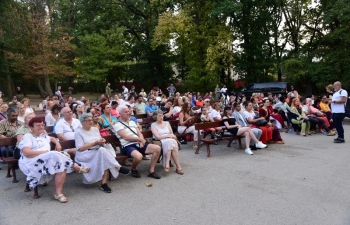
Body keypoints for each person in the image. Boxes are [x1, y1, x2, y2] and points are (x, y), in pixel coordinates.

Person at [18, 117, 89, 203]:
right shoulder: (28, 137)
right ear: (31, 127)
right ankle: (75, 167)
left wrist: (57, 143)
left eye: (42, 125)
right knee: (53, 154)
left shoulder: (43, 136)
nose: (41, 127)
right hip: (30, 162)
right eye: (38, 125)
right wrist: (45, 152)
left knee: (60, 164)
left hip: (44, 160)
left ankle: (58, 193)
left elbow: (52, 138)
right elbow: (26, 152)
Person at [74, 113, 130, 193]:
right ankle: (117, 167)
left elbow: (99, 141)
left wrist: (102, 141)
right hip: (85, 154)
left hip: (97, 151)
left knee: (102, 153)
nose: (91, 122)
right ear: (82, 122)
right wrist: (95, 143)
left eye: (91, 120)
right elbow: (80, 148)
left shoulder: (95, 129)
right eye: (88, 120)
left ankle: (104, 183)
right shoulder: (78, 132)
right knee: (102, 152)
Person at [113, 106, 161, 179]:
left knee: (157, 148)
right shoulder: (117, 124)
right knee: (139, 157)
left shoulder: (132, 122)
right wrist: (140, 140)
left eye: (128, 111)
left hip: (138, 142)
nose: (128, 113)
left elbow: (139, 133)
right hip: (128, 145)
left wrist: (141, 141)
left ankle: (151, 171)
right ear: (120, 114)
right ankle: (134, 168)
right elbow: (126, 137)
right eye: (125, 112)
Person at [151, 110, 183, 174]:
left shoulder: (167, 123)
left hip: (169, 140)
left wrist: (172, 136)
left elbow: (171, 133)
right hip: (160, 141)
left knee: (171, 142)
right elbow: (158, 137)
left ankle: (167, 164)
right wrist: (169, 135)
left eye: (162, 115)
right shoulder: (153, 125)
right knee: (170, 142)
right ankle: (178, 167)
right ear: (155, 117)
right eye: (159, 116)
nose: (161, 117)